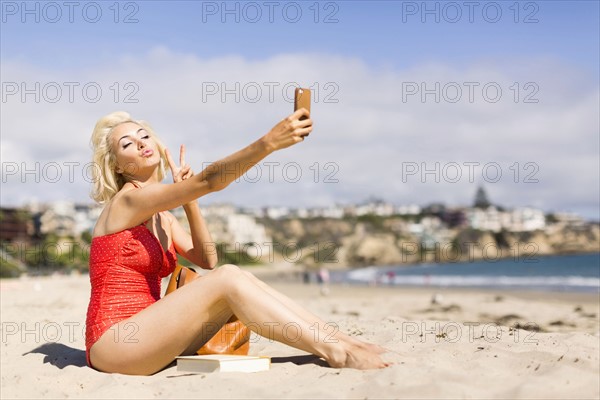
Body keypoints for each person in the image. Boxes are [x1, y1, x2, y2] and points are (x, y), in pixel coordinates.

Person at [85, 110, 389, 375]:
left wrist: (189, 200)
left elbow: (207, 259)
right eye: (127, 144)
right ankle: (336, 351)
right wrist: (267, 143)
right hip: (115, 342)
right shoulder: (126, 202)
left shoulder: (162, 217)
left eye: (144, 136)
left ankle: (340, 341)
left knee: (238, 275)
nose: (140, 143)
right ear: (119, 167)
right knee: (228, 277)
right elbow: (208, 181)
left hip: (149, 335)